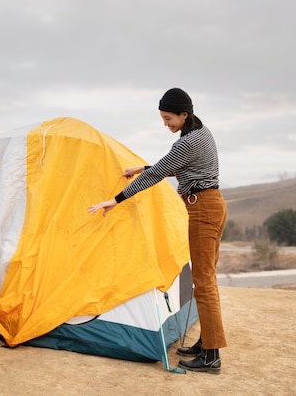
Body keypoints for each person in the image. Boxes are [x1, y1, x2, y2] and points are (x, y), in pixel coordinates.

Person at [87, 88, 227, 374]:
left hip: (203, 209)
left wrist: (116, 200)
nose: (166, 124)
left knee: (204, 281)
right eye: (163, 118)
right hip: (210, 205)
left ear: (183, 114)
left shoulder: (186, 143)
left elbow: (159, 173)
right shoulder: (201, 133)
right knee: (205, 279)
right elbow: (173, 166)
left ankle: (211, 356)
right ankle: (206, 344)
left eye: (168, 118)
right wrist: (140, 167)